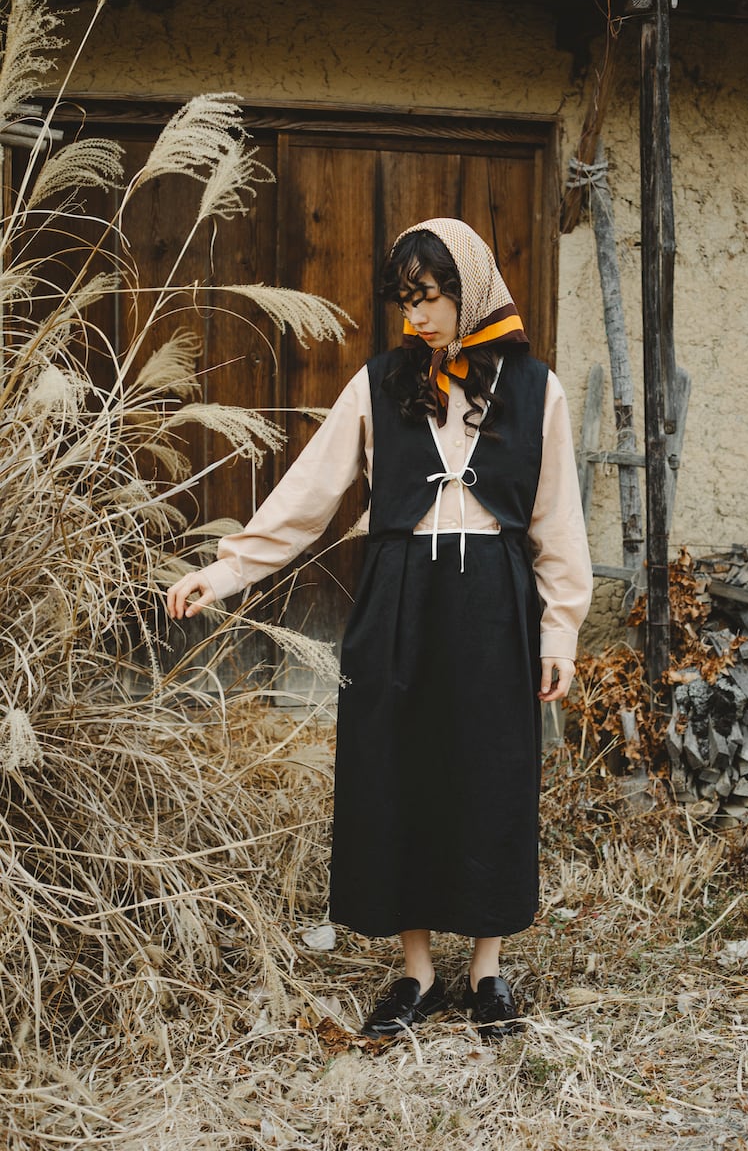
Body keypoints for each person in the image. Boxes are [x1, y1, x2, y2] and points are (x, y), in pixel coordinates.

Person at [167, 218, 593, 1041]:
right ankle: (416, 971)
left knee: (492, 769)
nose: (417, 317)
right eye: (406, 301)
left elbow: (558, 520)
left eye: (429, 299)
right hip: (399, 596)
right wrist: (223, 572)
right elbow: (308, 494)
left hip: (496, 602)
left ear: (469, 291)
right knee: (399, 767)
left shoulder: (538, 389)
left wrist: (560, 630)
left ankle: (488, 970)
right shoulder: (379, 383)